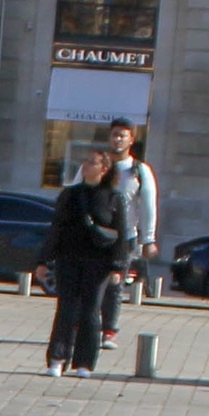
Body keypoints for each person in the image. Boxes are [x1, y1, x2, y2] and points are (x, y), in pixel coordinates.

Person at [39, 147, 126, 378]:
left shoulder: (114, 197)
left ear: (104, 169)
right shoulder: (70, 194)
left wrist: (118, 266)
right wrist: (43, 261)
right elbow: (56, 228)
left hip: (99, 262)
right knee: (66, 307)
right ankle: (57, 358)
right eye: (85, 161)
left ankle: (84, 363)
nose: (85, 166)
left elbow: (121, 234)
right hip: (69, 258)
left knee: (91, 310)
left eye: (92, 162)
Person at [99, 120, 158, 352]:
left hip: (125, 237)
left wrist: (148, 239)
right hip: (96, 235)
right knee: (92, 283)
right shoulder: (98, 164)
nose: (118, 140)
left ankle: (109, 331)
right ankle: (84, 325)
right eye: (115, 135)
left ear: (131, 139)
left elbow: (148, 205)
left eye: (123, 136)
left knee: (115, 284)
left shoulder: (139, 170)